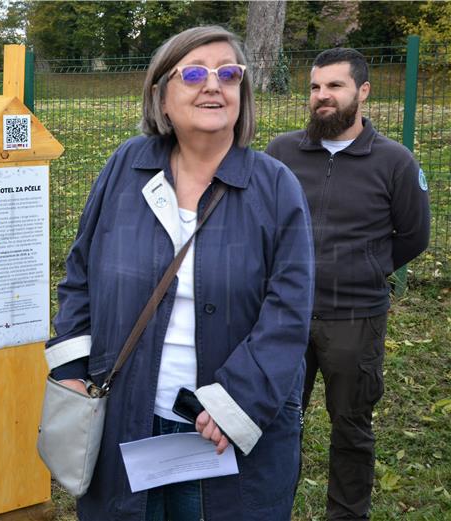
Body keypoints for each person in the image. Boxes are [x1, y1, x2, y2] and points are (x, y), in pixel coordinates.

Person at [44, 26, 314, 520]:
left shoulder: (275, 187)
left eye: (228, 74)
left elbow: (289, 312)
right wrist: (71, 371)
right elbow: (79, 273)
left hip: (217, 435)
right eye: (193, 73)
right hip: (127, 420)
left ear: (242, 94)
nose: (213, 84)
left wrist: (237, 401)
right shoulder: (126, 168)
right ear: (161, 97)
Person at [266, 48, 431, 520]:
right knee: (277, 423)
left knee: (351, 427)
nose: (322, 96)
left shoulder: (395, 162)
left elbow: (413, 236)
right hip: (286, 315)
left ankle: (347, 513)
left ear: (362, 92)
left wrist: (366, 268)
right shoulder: (281, 153)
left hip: (355, 319)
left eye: (334, 86)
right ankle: (270, 506)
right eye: (315, 87)